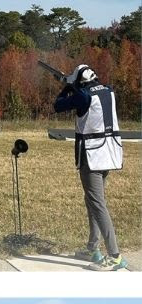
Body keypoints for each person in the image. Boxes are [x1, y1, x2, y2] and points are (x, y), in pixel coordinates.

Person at [53, 64, 125, 271]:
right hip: (109, 153)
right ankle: (93, 248)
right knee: (92, 200)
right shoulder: (108, 90)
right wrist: (72, 84)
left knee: (97, 203)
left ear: (79, 81)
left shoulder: (83, 96)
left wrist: (67, 86)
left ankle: (114, 256)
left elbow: (57, 105)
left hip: (91, 156)